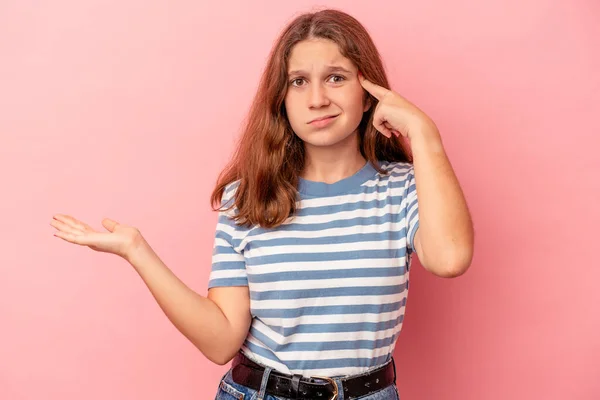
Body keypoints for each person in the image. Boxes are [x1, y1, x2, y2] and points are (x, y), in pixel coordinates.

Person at [50, 8, 474, 400]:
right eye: (298, 81)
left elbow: (450, 257)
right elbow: (220, 342)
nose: (317, 99)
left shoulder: (404, 188)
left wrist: (423, 133)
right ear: (282, 100)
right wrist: (137, 251)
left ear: (369, 93)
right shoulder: (248, 196)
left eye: (337, 78)